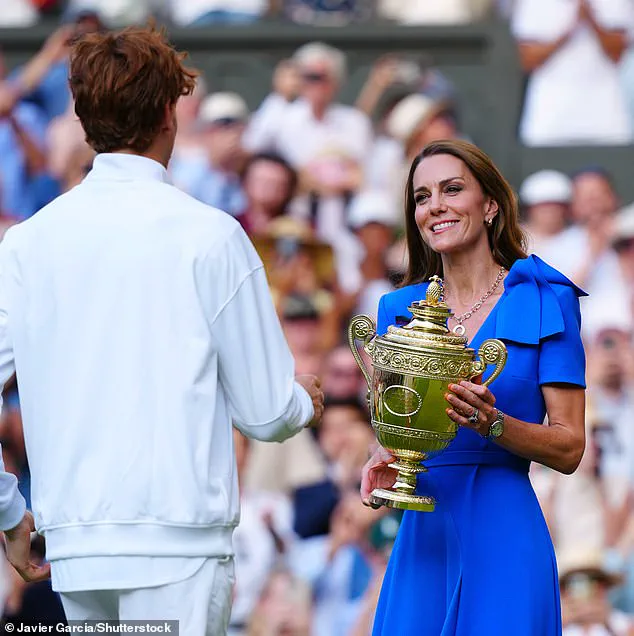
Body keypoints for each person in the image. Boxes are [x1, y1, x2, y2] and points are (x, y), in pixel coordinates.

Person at [0, 27, 324, 633]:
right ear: (168, 117)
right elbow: (267, 414)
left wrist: (9, 513)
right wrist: (303, 399)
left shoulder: (24, 244)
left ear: (85, 119)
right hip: (180, 550)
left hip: (77, 551)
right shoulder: (212, 236)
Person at [361, 139, 586, 635]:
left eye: (452, 189)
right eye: (422, 197)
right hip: (424, 535)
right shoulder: (396, 311)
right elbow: (401, 424)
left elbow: (570, 448)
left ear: (490, 206)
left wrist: (493, 424)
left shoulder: (546, 298)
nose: (435, 206)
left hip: (505, 532)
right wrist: (383, 456)